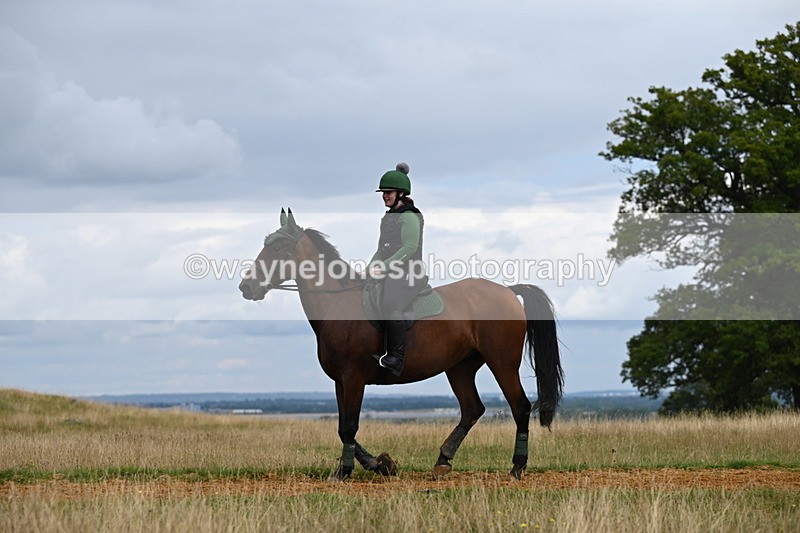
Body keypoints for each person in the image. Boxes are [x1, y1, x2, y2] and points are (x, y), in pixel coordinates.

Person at [369, 162, 426, 376]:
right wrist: (369, 269)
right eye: (382, 192)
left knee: (390, 302)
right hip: (391, 271)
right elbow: (380, 250)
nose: (384, 196)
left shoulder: (409, 216)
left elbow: (410, 248)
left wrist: (383, 267)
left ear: (400, 193)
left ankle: (396, 357)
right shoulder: (389, 217)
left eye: (388, 192)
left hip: (409, 274)